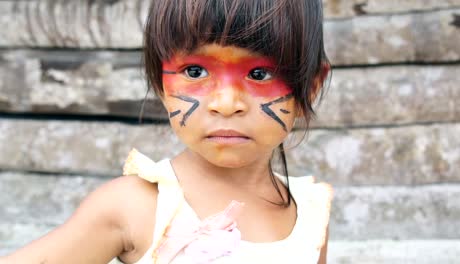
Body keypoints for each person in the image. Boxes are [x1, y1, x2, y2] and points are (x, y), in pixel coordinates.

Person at [0, 0, 332, 263]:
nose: (227, 103)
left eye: (260, 74)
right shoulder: (135, 206)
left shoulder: (309, 213)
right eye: (195, 70)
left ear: (311, 87)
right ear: (161, 82)